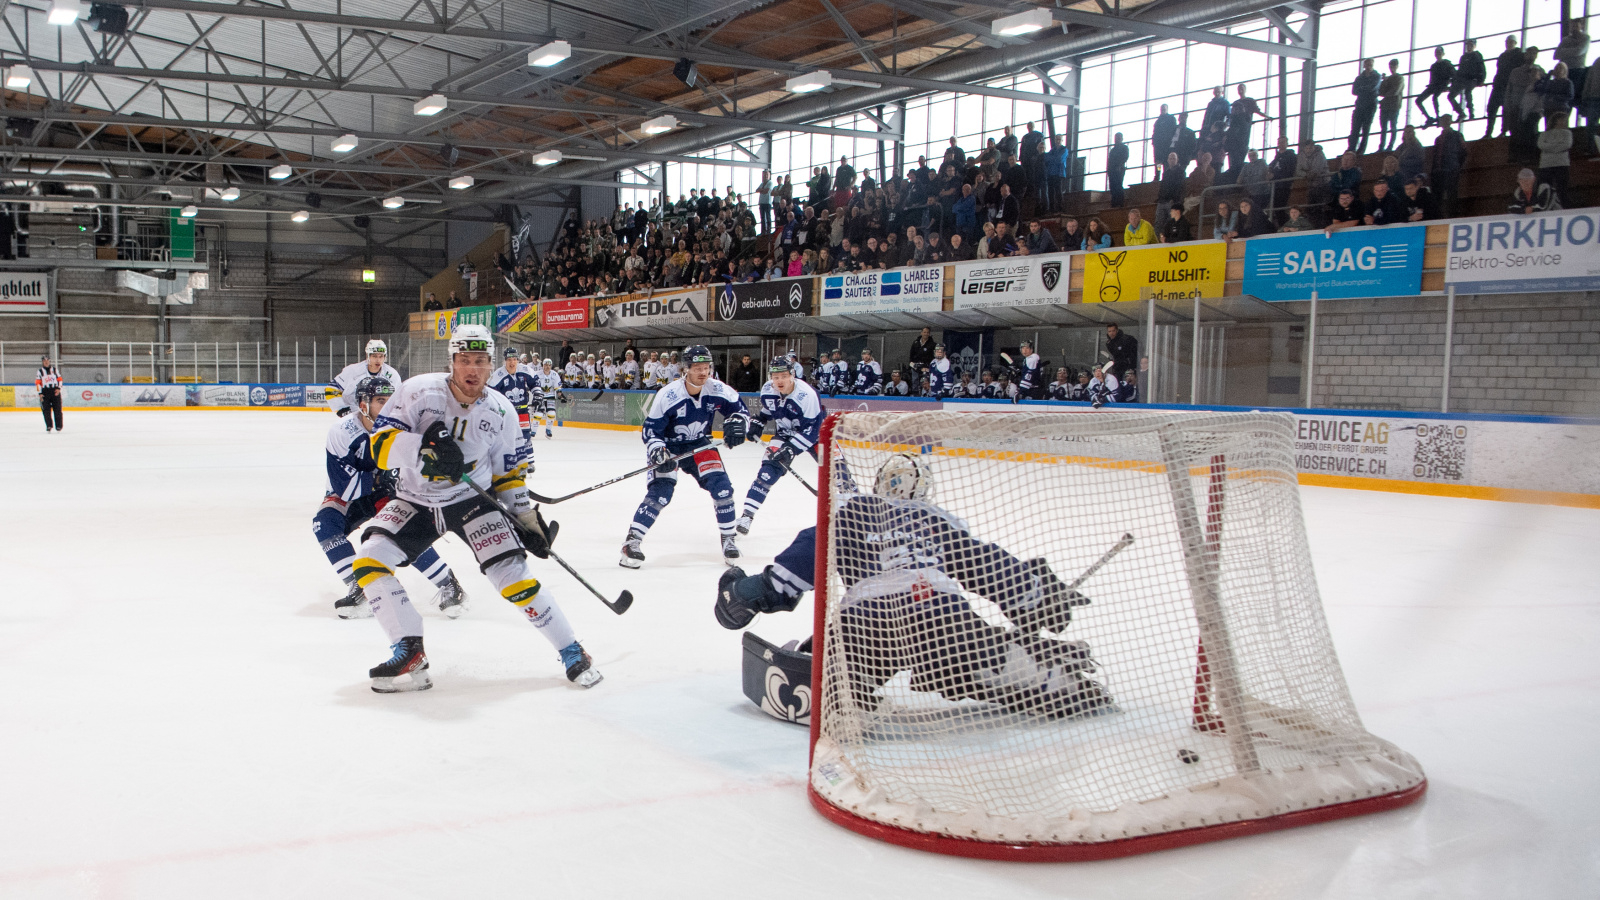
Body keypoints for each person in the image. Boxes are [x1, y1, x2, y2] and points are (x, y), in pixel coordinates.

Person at [713, 455, 1111, 721]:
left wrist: (742, 595)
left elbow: (787, 578)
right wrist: (1039, 595)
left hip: (865, 621)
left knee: (834, 687)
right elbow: (987, 566)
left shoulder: (849, 512)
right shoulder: (937, 518)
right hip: (938, 615)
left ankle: (832, 674)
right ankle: (1047, 673)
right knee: (972, 663)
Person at [353, 324, 599, 692]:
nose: (472, 369)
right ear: (452, 361)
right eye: (464, 360)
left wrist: (526, 519)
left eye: (481, 361)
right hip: (414, 499)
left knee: (513, 577)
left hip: (473, 501)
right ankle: (409, 647)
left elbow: (509, 475)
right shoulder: (418, 390)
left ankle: (571, 649)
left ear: (491, 364)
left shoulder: (501, 411)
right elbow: (378, 445)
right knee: (369, 560)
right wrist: (423, 451)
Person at [315, 375, 465, 620]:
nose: (388, 407)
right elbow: (344, 486)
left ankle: (450, 584)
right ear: (363, 405)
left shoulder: (403, 428)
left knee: (401, 530)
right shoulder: (342, 432)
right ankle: (362, 587)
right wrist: (380, 478)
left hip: (385, 492)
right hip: (350, 493)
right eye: (380, 400)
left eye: (391, 400)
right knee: (324, 525)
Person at [620, 344, 752, 569]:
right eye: (697, 367)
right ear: (686, 369)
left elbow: (741, 412)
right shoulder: (669, 395)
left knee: (722, 487)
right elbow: (650, 431)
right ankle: (631, 542)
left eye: (706, 367)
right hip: (669, 447)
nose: (703, 372)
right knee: (661, 492)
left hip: (701, 444)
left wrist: (739, 424)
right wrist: (658, 450)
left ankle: (728, 538)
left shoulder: (718, 389)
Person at [735, 358, 823, 537]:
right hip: (784, 434)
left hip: (817, 435)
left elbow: (812, 430)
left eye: (784, 376)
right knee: (766, 472)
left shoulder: (807, 395)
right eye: (776, 377)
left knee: (838, 470)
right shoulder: (768, 390)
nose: (780, 381)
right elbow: (767, 412)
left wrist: (790, 449)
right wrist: (758, 423)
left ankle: (856, 513)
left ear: (793, 375)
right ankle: (747, 516)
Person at [326, 339, 401, 418]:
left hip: (380, 416)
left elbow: (399, 397)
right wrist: (341, 409)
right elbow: (331, 388)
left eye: (381, 356)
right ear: (368, 356)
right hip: (354, 416)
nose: (378, 360)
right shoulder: (353, 371)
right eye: (374, 356)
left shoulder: (392, 375)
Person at [489, 347, 541, 446]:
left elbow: (535, 382)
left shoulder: (525, 369)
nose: (512, 362)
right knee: (507, 438)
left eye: (514, 359)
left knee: (525, 437)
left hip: (523, 411)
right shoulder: (498, 375)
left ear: (517, 360)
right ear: (505, 361)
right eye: (509, 360)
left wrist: (537, 394)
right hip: (506, 414)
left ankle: (529, 461)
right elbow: (490, 393)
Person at [1487, 36, 1527, 138]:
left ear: (1514, 43)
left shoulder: (1518, 55)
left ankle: (1503, 131)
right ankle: (1489, 132)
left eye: (1510, 42)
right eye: (1507, 42)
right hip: (1499, 85)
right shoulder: (1503, 56)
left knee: (1506, 110)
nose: (1508, 44)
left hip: (1507, 85)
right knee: (1492, 108)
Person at [1432, 113, 1469, 217]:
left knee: (1452, 194)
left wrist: (1456, 165)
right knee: (1438, 196)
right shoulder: (1438, 139)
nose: (1445, 122)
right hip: (1439, 171)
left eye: (1447, 120)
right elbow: (1436, 156)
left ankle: (1453, 216)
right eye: (1443, 120)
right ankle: (1438, 216)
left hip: (1452, 169)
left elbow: (1464, 152)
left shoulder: (1457, 135)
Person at [1226, 84, 1269, 172]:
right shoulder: (1236, 103)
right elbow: (1231, 118)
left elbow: (1257, 111)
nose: (1240, 90)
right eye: (1239, 88)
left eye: (1242, 88)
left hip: (1243, 131)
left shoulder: (1249, 101)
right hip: (1237, 132)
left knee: (1239, 151)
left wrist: (1267, 117)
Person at [1538, 111, 1574, 205]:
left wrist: (1550, 147)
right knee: (1545, 188)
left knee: (1562, 188)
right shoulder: (1544, 134)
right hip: (1546, 165)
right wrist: (1557, 146)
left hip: (1561, 164)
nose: (1563, 122)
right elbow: (1541, 145)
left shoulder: (1567, 133)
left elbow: (1567, 145)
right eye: (1561, 119)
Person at [1416, 46, 1458, 125]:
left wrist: (1449, 84)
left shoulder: (1446, 64)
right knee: (1418, 100)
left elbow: (1454, 75)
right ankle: (1430, 118)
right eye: (1437, 53)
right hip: (1434, 85)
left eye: (1439, 53)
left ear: (1443, 54)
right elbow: (1432, 78)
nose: (1438, 54)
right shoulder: (1434, 66)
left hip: (1441, 85)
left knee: (1434, 97)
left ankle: (1436, 117)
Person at [1349, 58, 1381, 154]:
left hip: (1370, 106)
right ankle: (1352, 148)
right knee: (1355, 128)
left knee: (1365, 129)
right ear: (1364, 66)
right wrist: (1365, 89)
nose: (1368, 67)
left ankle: (1361, 150)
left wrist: (1362, 89)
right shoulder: (1359, 78)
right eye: (1367, 65)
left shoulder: (1376, 77)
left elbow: (1372, 88)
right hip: (1360, 105)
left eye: (1370, 65)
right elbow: (1354, 91)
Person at [1454, 39, 1487, 122]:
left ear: (1474, 46)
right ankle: (1461, 112)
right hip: (1463, 80)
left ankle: (1470, 112)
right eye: (1468, 45)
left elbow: (1482, 68)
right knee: (1451, 95)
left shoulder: (1477, 55)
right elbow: (1460, 70)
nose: (1469, 47)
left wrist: (1481, 79)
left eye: (1471, 45)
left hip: (1472, 79)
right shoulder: (1463, 57)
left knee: (1467, 91)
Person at [1378, 59, 1405, 151]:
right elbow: (1381, 91)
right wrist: (1384, 81)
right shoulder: (1389, 79)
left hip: (1393, 106)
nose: (1392, 68)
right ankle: (1382, 146)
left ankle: (1390, 146)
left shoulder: (1400, 78)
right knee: (1384, 128)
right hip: (1387, 105)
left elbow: (1395, 91)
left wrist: (1385, 90)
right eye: (1391, 66)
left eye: (1393, 66)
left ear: (1397, 66)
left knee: (1392, 126)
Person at [533, 359, 561, 438]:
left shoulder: (555, 375)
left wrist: (560, 395)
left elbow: (557, 387)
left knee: (551, 413)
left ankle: (548, 430)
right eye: (545, 365)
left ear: (551, 366)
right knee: (538, 414)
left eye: (549, 365)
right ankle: (533, 431)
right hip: (540, 396)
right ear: (543, 365)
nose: (547, 367)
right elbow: (534, 385)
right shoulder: (537, 374)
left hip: (550, 396)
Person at [36, 354, 63, 432]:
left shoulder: (55, 370)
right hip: (45, 392)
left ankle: (58, 426)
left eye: (47, 361)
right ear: (42, 362)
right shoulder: (40, 371)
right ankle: (49, 425)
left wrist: (59, 388)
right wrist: (40, 393)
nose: (46, 362)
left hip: (54, 391)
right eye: (44, 361)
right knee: (46, 410)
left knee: (57, 409)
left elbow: (60, 379)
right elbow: (37, 383)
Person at [1152, 104, 1178, 179]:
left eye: (1164, 109)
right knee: (1159, 162)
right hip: (1159, 147)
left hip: (1167, 145)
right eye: (1162, 109)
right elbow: (1155, 133)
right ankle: (1158, 175)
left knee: (1166, 162)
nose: (1163, 110)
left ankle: (1166, 175)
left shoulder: (1170, 119)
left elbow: (1173, 131)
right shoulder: (1158, 121)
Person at [907, 327, 936, 394]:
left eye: (927, 332)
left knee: (924, 382)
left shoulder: (932, 344)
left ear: (929, 334)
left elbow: (933, 358)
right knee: (915, 382)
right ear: (921, 333)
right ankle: (915, 397)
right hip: (915, 366)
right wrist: (912, 364)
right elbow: (911, 355)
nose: (926, 334)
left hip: (926, 368)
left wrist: (928, 367)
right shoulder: (915, 343)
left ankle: (925, 395)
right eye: (924, 332)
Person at [1106, 133, 1129, 207]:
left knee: (1118, 185)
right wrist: (1109, 170)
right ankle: (1114, 203)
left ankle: (1119, 203)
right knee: (1113, 187)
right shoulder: (1113, 150)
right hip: (1112, 170)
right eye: (1116, 138)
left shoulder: (1124, 148)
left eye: (1118, 138)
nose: (1117, 139)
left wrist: (1119, 165)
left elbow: (1125, 157)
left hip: (1119, 169)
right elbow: (1109, 161)